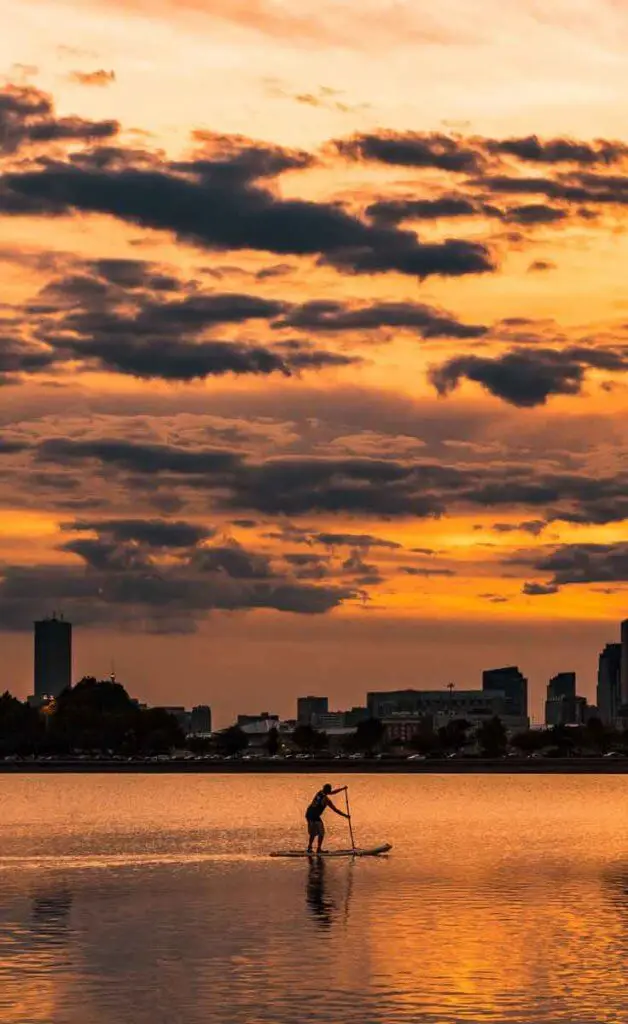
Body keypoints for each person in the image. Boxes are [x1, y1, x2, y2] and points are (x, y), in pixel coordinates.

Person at [305, 783, 349, 854]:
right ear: (328, 791)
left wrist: (342, 789)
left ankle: (309, 848)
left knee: (313, 833)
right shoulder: (326, 800)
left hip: (308, 814)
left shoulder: (320, 792)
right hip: (314, 816)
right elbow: (335, 810)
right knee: (321, 833)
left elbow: (332, 793)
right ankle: (318, 849)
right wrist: (345, 815)